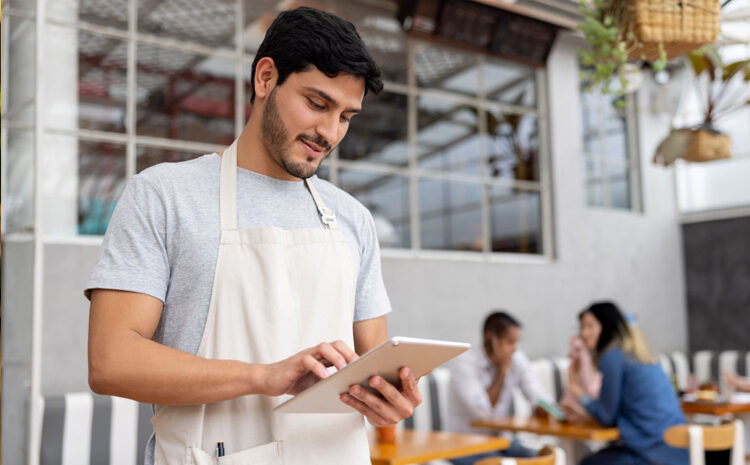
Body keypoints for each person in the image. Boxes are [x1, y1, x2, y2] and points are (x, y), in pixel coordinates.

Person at [85, 8, 421, 465]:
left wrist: (388, 402)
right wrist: (264, 377)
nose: (330, 133)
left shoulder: (353, 219)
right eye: (318, 104)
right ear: (265, 78)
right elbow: (111, 362)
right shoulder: (165, 195)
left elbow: (372, 363)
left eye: (347, 116)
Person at [561, 302, 688, 465]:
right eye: (582, 327)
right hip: (678, 450)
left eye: (590, 326)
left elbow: (606, 416)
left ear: (606, 326)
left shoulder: (612, 356)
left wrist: (576, 390)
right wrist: (587, 414)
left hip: (653, 453)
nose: (584, 333)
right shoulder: (637, 353)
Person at [445, 311, 551, 464]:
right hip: (465, 444)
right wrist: (502, 371)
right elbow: (483, 411)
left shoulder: (516, 357)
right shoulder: (464, 363)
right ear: (491, 338)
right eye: (510, 342)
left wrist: (548, 408)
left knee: (538, 459)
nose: (515, 349)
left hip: (501, 440)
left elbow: (536, 392)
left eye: (516, 342)